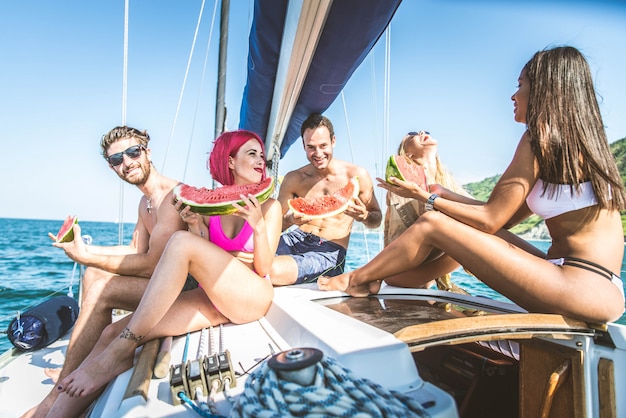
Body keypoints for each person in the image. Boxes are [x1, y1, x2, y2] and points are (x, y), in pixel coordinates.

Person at [320, 46, 626, 324]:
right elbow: (500, 217)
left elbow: (490, 220)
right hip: (597, 283)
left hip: (577, 283)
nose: (514, 95)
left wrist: (428, 201)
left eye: (520, 85)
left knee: (431, 225)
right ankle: (382, 278)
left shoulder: (539, 138)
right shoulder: (583, 146)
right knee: (449, 223)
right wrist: (439, 194)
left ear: (545, 89)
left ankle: (357, 280)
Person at [47, 129, 282, 415]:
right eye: (252, 153)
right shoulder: (214, 204)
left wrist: (257, 225)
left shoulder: (271, 206)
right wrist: (195, 224)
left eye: (261, 155)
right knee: (111, 332)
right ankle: (51, 410)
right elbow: (204, 256)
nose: (261, 161)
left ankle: (120, 353)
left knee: (180, 242)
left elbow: (264, 267)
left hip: (251, 295)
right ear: (230, 161)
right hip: (212, 297)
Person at [23, 126, 188, 418]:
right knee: (93, 277)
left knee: (103, 286)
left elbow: (152, 264)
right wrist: (86, 252)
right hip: (159, 285)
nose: (127, 163)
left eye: (133, 152)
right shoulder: (144, 201)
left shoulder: (172, 197)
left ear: (147, 152)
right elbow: (136, 250)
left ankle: (57, 392)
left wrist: (87, 256)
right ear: (112, 167)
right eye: (116, 160)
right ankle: (74, 369)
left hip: (183, 289)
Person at [270, 113, 383, 285]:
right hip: (295, 238)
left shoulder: (357, 176)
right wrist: (290, 220)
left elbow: (376, 220)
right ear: (303, 145)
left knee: (272, 270)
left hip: (329, 251)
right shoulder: (294, 179)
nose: (318, 153)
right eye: (311, 147)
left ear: (333, 141)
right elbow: (273, 226)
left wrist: (364, 217)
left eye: (323, 145)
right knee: (250, 255)